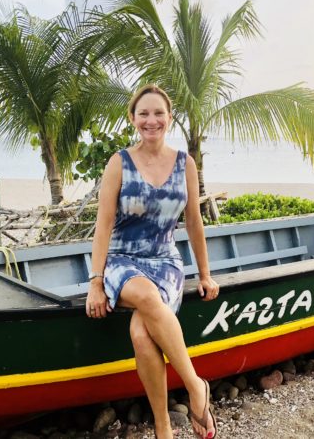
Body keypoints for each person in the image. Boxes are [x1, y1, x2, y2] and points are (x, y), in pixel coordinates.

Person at [85, 84, 219, 439]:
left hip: (166, 261)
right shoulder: (119, 163)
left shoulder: (184, 163)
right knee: (145, 296)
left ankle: (163, 429)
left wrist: (205, 275)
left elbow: (193, 221)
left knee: (142, 335)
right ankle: (196, 387)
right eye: (143, 113)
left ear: (169, 118)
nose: (151, 120)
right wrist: (96, 281)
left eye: (158, 113)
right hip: (121, 260)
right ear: (133, 118)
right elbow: (103, 225)